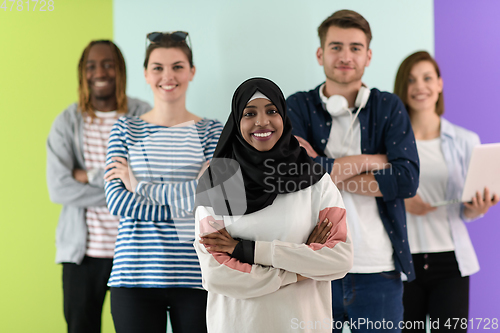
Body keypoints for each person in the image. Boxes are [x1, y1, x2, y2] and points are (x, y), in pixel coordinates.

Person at [286, 10, 419, 332]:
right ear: (320, 53)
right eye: (336, 47)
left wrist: (325, 169)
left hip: (378, 269)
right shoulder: (297, 106)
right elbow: (293, 177)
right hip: (312, 266)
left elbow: (406, 180)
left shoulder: (388, 106)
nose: (345, 56)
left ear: (368, 55)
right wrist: (373, 160)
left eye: (355, 48)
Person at [193, 77, 353, 333]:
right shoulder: (216, 186)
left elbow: (339, 258)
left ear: (284, 117)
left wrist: (245, 251)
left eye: (272, 111)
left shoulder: (316, 182)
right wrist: (299, 271)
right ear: (236, 121)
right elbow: (217, 275)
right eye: (249, 113)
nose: (262, 121)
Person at [103, 31, 223, 333]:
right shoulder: (125, 129)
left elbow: (220, 201)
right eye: (157, 67)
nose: (167, 75)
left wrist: (141, 188)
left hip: (199, 277)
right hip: (134, 277)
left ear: (191, 71)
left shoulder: (212, 131)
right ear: (145, 74)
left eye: (177, 66)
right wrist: (195, 193)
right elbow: (117, 201)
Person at [46, 40, 150, 333]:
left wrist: (88, 174)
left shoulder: (144, 115)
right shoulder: (67, 122)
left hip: (134, 250)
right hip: (84, 255)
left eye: (108, 64)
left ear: (121, 70)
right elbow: (59, 188)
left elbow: (153, 181)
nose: (99, 72)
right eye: (91, 66)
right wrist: (120, 188)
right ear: (83, 73)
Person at [393, 51, 499, 332]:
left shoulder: (466, 140)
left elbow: (468, 209)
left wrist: (478, 208)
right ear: (402, 87)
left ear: (439, 84)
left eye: (427, 78)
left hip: (451, 263)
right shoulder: (389, 143)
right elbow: (375, 192)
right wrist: (402, 201)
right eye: (411, 80)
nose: (420, 86)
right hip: (403, 263)